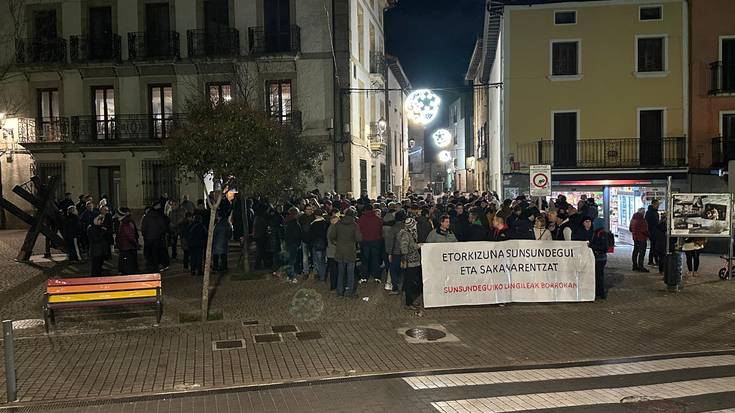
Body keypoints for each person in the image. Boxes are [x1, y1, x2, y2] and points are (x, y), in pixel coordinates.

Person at [330, 208, 362, 298]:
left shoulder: (338, 224)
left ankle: (340, 292)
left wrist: (336, 243)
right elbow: (359, 238)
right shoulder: (354, 225)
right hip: (350, 251)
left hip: (340, 250)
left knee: (341, 273)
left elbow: (331, 236)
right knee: (350, 273)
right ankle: (350, 292)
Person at [399, 217, 422, 310]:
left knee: (412, 282)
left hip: (414, 262)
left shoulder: (411, 233)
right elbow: (404, 249)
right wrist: (417, 246)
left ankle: (411, 301)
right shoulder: (406, 234)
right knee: (409, 283)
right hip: (410, 263)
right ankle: (409, 303)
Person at [357, 204, 383, 284]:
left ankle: (364, 277)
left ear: (364, 210)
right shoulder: (377, 219)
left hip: (364, 242)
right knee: (375, 260)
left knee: (365, 260)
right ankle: (377, 277)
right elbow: (380, 230)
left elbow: (358, 231)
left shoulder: (361, 219)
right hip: (376, 241)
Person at [141, 202, 168, 272]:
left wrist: (145, 236)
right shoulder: (159, 217)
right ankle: (156, 267)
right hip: (157, 238)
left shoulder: (146, 217)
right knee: (156, 253)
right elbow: (163, 227)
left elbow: (143, 228)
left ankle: (150, 267)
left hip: (148, 239)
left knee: (149, 254)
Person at [386, 210, 407, 295]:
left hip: (396, 252)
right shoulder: (406, 227)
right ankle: (404, 287)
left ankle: (395, 288)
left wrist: (389, 253)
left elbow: (390, 241)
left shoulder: (393, 228)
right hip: (406, 252)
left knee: (393, 270)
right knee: (405, 270)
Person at [115, 208, 139, 274]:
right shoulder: (123, 222)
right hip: (125, 247)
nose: (116, 216)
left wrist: (136, 245)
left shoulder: (126, 223)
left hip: (127, 248)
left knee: (128, 266)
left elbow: (130, 237)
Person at [309, 210, 329, 282]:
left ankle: (322, 277)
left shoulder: (314, 224)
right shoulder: (326, 223)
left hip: (316, 245)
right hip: (324, 244)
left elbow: (311, 236)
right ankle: (324, 275)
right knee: (323, 260)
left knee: (318, 261)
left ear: (315, 215)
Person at [284, 207, 303, 283]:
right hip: (294, 244)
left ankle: (289, 276)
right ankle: (291, 277)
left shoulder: (287, 222)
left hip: (288, 243)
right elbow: (298, 234)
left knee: (289, 260)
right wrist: (298, 242)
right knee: (292, 261)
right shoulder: (295, 223)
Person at [629, 208, 650, 272]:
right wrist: (649, 235)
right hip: (642, 238)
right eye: (644, 212)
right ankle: (641, 267)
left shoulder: (633, 219)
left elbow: (630, 229)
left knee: (635, 251)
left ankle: (635, 265)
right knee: (642, 253)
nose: (644, 214)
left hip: (635, 238)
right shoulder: (642, 220)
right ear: (642, 213)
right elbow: (644, 230)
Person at [298, 204, 316, 278]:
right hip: (304, 240)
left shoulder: (314, 217)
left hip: (312, 240)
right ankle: (306, 272)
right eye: (308, 209)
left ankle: (316, 272)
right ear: (305, 210)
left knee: (314, 257)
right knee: (305, 258)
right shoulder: (301, 218)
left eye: (310, 209)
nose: (309, 211)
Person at [326, 211, 340, 290]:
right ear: (333, 221)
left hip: (331, 252)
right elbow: (333, 240)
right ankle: (334, 285)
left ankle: (334, 285)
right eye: (337, 221)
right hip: (333, 252)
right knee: (335, 270)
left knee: (334, 270)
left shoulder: (330, 228)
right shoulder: (333, 229)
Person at [645, 199, 661, 266]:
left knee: (653, 246)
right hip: (652, 232)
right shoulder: (650, 212)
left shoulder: (654, 212)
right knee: (654, 247)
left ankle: (652, 260)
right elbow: (648, 223)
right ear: (653, 204)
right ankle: (654, 261)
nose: (658, 206)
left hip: (654, 231)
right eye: (657, 204)